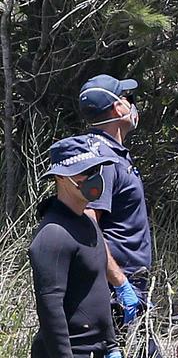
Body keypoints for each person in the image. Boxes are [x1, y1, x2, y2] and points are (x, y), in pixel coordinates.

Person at [78, 75, 161, 357]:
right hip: (117, 288)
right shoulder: (103, 159)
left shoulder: (114, 154)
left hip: (127, 283)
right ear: (118, 109)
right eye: (128, 98)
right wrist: (121, 284)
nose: (132, 105)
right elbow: (88, 222)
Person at [30, 135, 123, 358]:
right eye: (85, 172)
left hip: (97, 349)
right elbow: (50, 308)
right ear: (61, 177)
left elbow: (98, 286)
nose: (94, 178)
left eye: (96, 170)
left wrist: (112, 345)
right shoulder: (53, 234)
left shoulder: (88, 223)